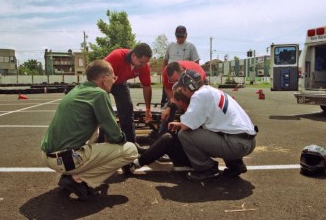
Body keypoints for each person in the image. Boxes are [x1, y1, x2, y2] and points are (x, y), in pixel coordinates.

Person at [40, 60, 138, 201]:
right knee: (130, 150)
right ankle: (79, 178)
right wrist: (122, 140)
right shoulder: (99, 94)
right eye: (113, 77)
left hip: (48, 155)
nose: (114, 81)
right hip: (66, 160)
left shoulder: (77, 90)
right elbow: (114, 135)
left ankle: (71, 174)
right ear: (104, 79)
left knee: (95, 130)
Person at [169, 70, 257, 182]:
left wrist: (181, 124)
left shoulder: (199, 95)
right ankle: (236, 165)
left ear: (188, 88)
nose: (181, 91)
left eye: (181, 89)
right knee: (215, 127)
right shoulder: (212, 91)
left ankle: (207, 169)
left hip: (236, 145)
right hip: (249, 142)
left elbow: (186, 127)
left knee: (184, 135)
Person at [136, 60, 206, 145]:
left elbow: (193, 98)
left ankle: (193, 137)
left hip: (196, 86)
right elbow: (168, 89)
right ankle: (162, 136)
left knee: (191, 110)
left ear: (182, 73)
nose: (175, 83)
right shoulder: (166, 72)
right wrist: (170, 106)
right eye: (172, 81)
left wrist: (185, 119)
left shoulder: (194, 75)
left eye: (176, 80)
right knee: (170, 109)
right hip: (184, 87)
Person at [97, 43, 153, 146]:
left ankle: (131, 144)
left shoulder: (144, 66)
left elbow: (147, 86)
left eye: (146, 63)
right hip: (104, 82)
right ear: (133, 56)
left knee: (127, 110)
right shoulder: (116, 57)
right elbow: (99, 77)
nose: (144, 65)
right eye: (142, 62)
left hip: (120, 83)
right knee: (104, 111)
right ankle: (100, 141)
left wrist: (148, 109)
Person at [160, 25, 200, 108]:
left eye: (182, 36)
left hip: (184, 77)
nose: (180, 38)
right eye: (178, 36)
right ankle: (167, 106)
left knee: (184, 96)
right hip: (170, 75)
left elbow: (196, 62)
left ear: (186, 35)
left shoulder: (190, 46)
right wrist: (163, 74)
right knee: (167, 94)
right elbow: (165, 61)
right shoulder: (170, 46)